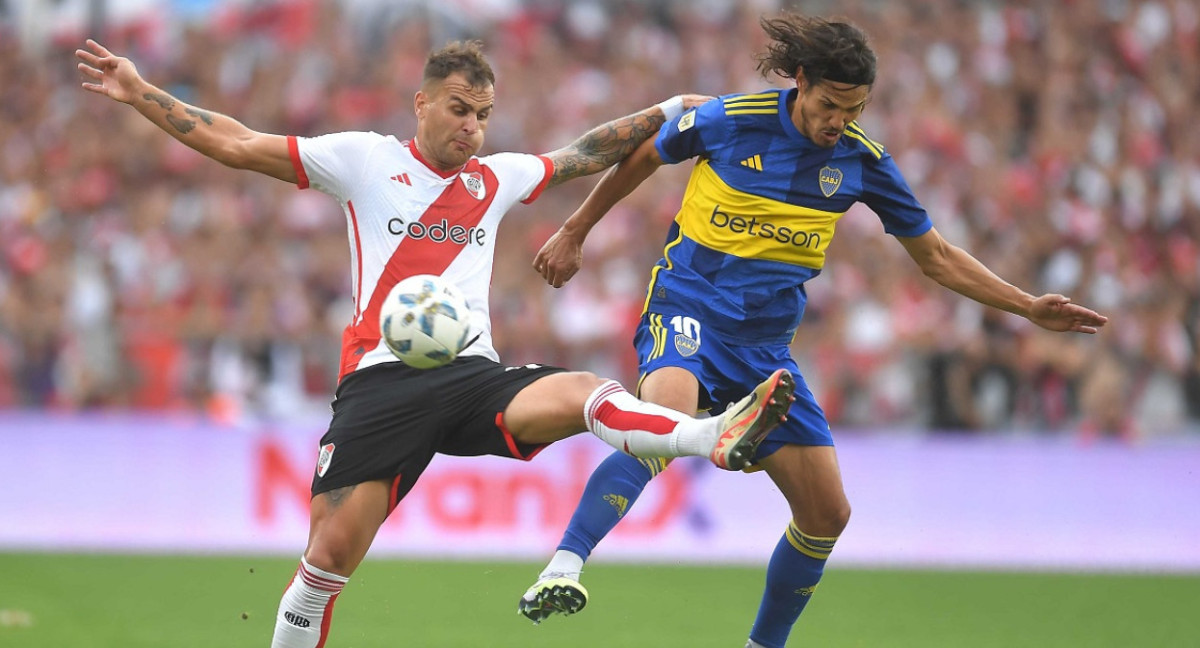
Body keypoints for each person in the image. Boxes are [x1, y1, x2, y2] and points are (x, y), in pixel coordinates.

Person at [75, 38, 798, 648]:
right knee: (326, 560)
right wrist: (141, 92)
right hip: (380, 382)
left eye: (483, 115)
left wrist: (673, 111)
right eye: (459, 110)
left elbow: (585, 150)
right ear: (421, 104)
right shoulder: (362, 161)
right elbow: (234, 143)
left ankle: (708, 435)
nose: (473, 128)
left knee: (582, 392)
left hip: (469, 378)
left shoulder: (497, 177)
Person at [520, 12, 1109, 648]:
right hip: (688, 306)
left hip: (764, 349)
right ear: (800, 82)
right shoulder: (730, 118)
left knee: (828, 513)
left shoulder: (862, 162)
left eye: (853, 109)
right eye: (829, 105)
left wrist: (1026, 307)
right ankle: (565, 567)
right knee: (664, 422)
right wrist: (575, 230)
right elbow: (642, 155)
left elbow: (934, 257)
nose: (839, 122)